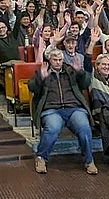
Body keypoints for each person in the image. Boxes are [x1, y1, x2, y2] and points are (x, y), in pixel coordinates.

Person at [28, 42, 96, 176]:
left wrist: (80, 72)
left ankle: (89, 160)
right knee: (52, 128)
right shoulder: (42, 71)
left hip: (74, 108)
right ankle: (41, 158)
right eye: (55, 60)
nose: (58, 62)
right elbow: (32, 88)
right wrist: (41, 78)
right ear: (50, 60)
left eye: (60, 60)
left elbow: (85, 84)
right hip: (51, 110)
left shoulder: (71, 70)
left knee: (84, 127)